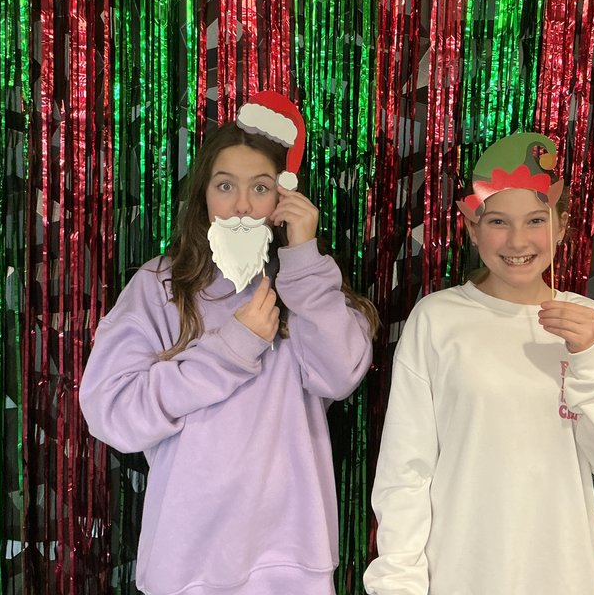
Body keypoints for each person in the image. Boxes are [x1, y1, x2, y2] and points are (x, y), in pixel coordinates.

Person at [80, 93, 378, 595]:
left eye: (260, 188)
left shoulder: (305, 283)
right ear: (204, 196)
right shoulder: (159, 286)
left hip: (292, 558)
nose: (242, 204)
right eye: (225, 186)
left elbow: (341, 373)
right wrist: (230, 348)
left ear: (282, 197)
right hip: (189, 558)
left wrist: (303, 256)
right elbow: (111, 411)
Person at [363, 132, 594, 595]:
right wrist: (398, 583)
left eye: (535, 220)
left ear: (561, 226)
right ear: (471, 227)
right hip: (458, 574)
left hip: (564, 575)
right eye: (498, 221)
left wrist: (590, 362)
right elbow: (406, 469)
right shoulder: (438, 320)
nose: (517, 240)